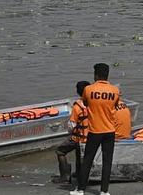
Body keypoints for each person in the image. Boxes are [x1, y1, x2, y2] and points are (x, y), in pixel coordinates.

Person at [71, 63, 121, 195]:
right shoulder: (115, 90)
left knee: (87, 160)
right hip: (110, 131)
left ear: (96, 75)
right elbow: (115, 105)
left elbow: (86, 103)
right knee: (107, 161)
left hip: (94, 131)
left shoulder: (88, 89)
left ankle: (81, 189)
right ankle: (104, 191)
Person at [52, 81, 91, 184]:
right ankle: (78, 173)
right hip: (91, 137)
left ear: (78, 92)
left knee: (60, 151)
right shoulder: (94, 104)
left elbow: (71, 125)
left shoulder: (77, 106)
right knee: (79, 151)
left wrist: (71, 132)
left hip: (79, 138)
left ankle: (65, 176)